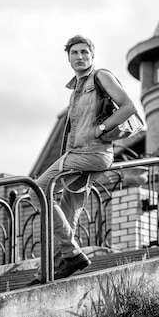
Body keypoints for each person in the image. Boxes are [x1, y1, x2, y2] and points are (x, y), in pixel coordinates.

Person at [30, 34, 137, 284]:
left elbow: (129, 106)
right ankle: (49, 271)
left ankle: (73, 252)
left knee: (37, 190)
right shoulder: (75, 90)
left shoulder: (101, 76)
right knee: (67, 213)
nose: (79, 56)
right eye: (74, 53)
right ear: (68, 58)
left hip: (92, 154)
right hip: (79, 154)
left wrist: (100, 129)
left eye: (84, 52)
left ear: (92, 55)